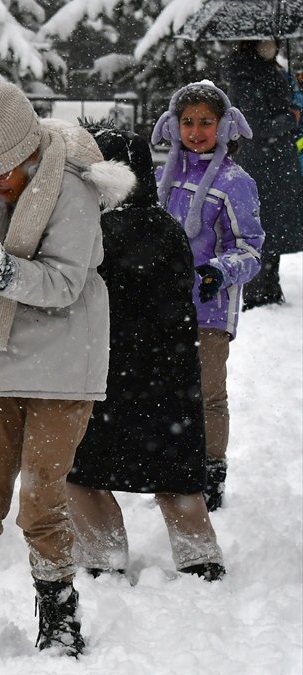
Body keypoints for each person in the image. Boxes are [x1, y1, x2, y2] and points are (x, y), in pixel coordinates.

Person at [0, 78, 135, 670]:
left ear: (31, 152)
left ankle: (60, 614)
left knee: (42, 495)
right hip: (5, 350)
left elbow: (66, 283)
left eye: (2, 172)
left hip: (67, 358)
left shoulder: (70, 188)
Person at [68, 121, 225, 583]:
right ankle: (200, 558)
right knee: (176, 480)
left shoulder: (95, 235)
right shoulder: (168, 228)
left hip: (109, 380)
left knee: (82, 473)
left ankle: (103, 558)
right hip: (170, 381)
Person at [151, 80, 265, 512]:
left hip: (209, 311)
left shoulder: (236, 182)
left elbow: (250, 248)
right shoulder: (163, 177)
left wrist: (219, 271)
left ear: (225, 125)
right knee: (163, 391)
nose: (196, 131)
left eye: (206, 122)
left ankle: (210, 472)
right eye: (187, 122)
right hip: (162, 309)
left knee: (207, 394)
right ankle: (171, 467)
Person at [226, 40, 303, 308]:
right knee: (263, 224)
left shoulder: (273, 71)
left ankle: (270, 285)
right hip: (263, 162)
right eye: (266, 41)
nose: (272, 45)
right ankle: (260, 290)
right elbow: (256, 124)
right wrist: (289, 119)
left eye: (275, 41)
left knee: (275, 225)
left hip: (277, 162)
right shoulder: (246, 75)